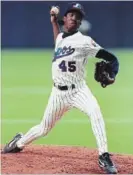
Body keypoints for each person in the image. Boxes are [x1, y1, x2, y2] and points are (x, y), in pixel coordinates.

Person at [2, 2, 119, 174]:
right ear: (65, 19)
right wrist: (53, 22)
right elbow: (58, 39)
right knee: (44, 128)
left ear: (80, 23)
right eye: (71, 15)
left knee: (95, 112)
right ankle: (19, 142)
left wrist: (114, 72)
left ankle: (103, 155)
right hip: (58, 94)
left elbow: (111, 58)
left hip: (79, 90)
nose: (74, 18)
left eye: (78, 17)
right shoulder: (60, 39)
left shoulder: (85, 41)